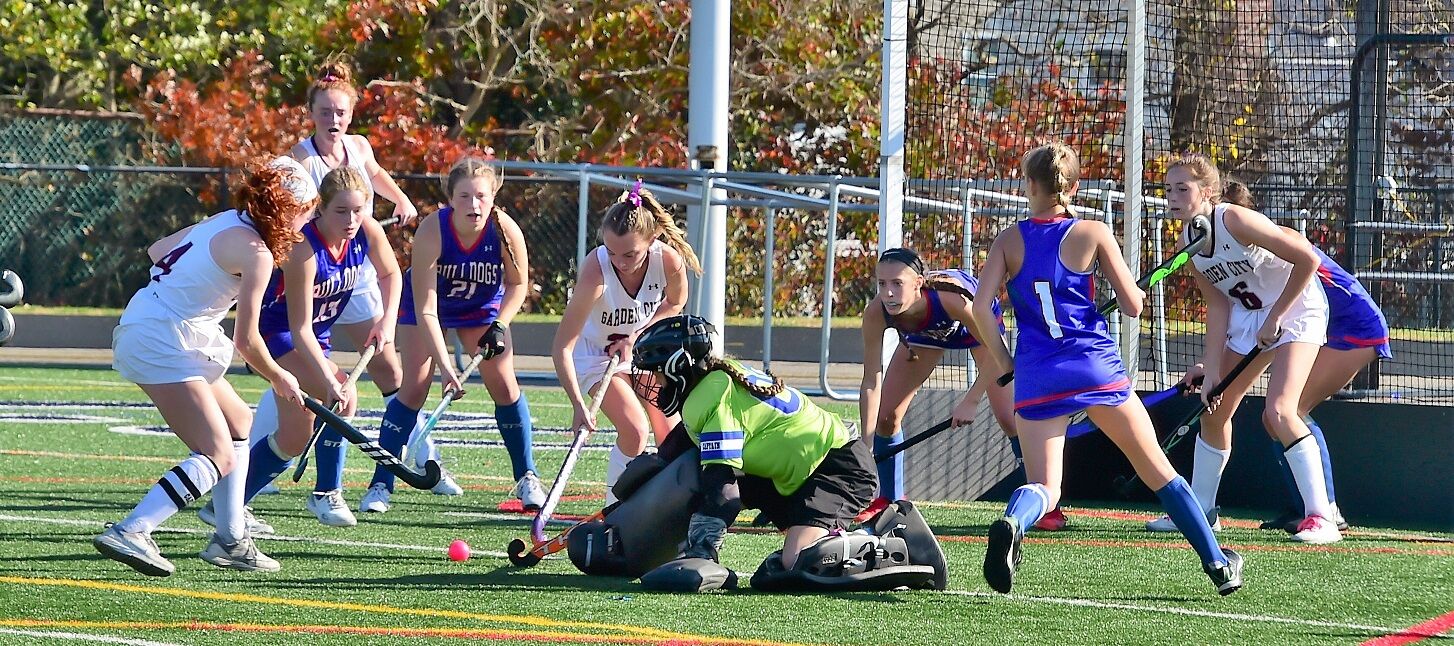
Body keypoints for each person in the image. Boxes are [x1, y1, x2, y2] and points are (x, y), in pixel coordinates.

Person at [972, 141, 1243, 595]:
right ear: (1074, 187)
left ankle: (1012, 522)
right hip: (1095, 368)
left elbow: (982, 309)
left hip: (1039, 375)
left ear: (1029, 185)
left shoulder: (1008, 239)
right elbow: (1135, 306)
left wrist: (1005, 364)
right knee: (1159, 470)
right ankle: (1217, 563)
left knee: (1045, 485)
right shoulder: (1093, 232)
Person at [95, 157, 314, 576]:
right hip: (161, 337)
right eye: (307, 210)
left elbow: (158, 251)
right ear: (287, 211)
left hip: (158, 323)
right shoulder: (258, 255)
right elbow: (247, 341)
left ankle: (230, 540)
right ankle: (133, 529)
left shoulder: (226, 219)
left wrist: (197, 290)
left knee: (239, 425)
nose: (308, 221)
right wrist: (281, 376)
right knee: (217, 453)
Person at [246, 57, 436, 497]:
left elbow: (377, 180)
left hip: (352, 271)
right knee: (316, 382)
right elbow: (281, 211)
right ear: (311, 113)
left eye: (341, 112)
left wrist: (401, 198)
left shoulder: (360, 150)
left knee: (386, 366)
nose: (334, 119)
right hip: (314, 273)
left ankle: (421, 451)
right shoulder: (298, 159)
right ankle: (292, 476)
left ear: (351, 114)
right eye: (326, 112)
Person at [1150, 175, 1378, 537]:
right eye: (1168, 190)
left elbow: (1306, 258)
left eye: (1183, 188)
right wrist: (1211, 372)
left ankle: (1322, 517)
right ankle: (1201, 512)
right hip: (1250, 317)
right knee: (1214, 411)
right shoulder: (1187, 243)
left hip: (1297, 308)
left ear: (1206, 191)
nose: (1172, 197)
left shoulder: (1234, 219)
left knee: (1281, 411)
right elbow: (1218, 304)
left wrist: (1276, 317)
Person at [214, 166, 399, 531]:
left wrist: (386, 321)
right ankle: (325, 492)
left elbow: (391, 274)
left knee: (295, 438)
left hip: (317, 339)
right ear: (321, 210)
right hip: (277, 337)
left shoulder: (367, 231)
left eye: (358, 210)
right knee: (343, 395)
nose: (351, 220)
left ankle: (228, 505)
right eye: (340, 212)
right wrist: (329, 382)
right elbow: (299, 329)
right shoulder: (304, 250)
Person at [360, 156, 544, 513]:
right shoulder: (433, 229)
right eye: (464, 197)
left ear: (493, 196)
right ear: (450, 197)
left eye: (481, 196)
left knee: (504, 383)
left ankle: (527, 476)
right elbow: (428, 307)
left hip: (481, 309)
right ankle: (381, 482)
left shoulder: (504, 229)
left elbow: (518, 284)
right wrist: (446, 366)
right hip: (429, 308)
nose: (473, 205)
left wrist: (500, 324)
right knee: (415, 385)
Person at [628, 315, 878, 571]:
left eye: (658, 372)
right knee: (692, 480)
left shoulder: (712, 396)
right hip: (801, 468)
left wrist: (702, 550)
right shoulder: (712, 384)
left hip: (835, 467)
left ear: (678, 367)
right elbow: (681, 447)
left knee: (798, 561)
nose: (656, 382)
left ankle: (882, 534)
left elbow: (723, 489)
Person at [858, 248, 1067, 529]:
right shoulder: (876, 313)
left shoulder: (953, 299)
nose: (889, 293)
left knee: (1009, 418)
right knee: (886, 418)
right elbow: (872, 380)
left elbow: (999, 356)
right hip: (927, 335)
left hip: (979, 333)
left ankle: (1044, 501)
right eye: (882, 284)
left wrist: (971, 400)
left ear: (919, 283)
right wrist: (866, 444)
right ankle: (890, 500)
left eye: (898, 284)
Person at [552, 183, 701, 505]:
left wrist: (636, 337)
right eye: (612, 252)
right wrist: (577, 405)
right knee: (634, 430)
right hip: (594, 356)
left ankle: (672, 505)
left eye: (630, 254)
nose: (620, 261)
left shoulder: (668, 261)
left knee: (673, 436)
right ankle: (614, 508)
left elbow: (675, 303)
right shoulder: (596, 269)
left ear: (653, 239)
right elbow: (562, 346)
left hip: (639, 353)